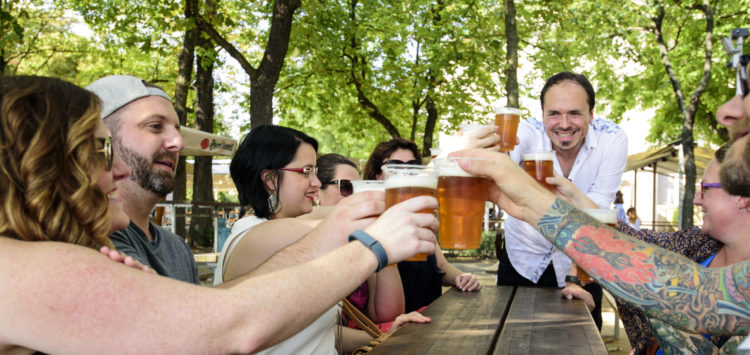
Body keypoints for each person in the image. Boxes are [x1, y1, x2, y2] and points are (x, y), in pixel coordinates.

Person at [0, 75, 439, 354]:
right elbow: (229, 323)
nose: (115, 166)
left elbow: (217, 306)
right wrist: (372, 247)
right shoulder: (19, 268)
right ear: (44, 162)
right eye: (100, 148)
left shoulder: (65, 254)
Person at [215, 126, 430, 354]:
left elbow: (319, 333)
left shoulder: (286, 232)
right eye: (306, 171)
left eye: (315, 172)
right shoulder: (257, 234)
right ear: (269, 179)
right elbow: (339, 219)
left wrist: (385, 335)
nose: (316, 182)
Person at [499, 71, 628, 330]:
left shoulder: (612, 139)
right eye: (554, 114)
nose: (564, 123)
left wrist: (574, 276)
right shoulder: (525, 132)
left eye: (575, 113)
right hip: (523, 258)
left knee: (582, 342)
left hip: (583, 263)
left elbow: (598, 217)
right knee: (512, 339)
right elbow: (500, 162)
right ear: (543, 115)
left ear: (592, 114)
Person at [86, 75, 199, 284]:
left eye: (177, 129)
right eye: (155, 126)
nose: (178, 143)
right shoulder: (90, 237)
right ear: (102, 139)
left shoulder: (177, 247)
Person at [363, 138, 482, 313]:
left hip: (431, 321)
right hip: (398, 328)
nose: (406, 171)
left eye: (413, 165)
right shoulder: (371, 222)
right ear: (378, 174)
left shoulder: (422, 216)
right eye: (395, 165)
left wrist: (462, 278)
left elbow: (441, 266)